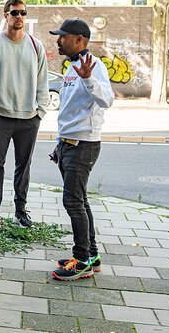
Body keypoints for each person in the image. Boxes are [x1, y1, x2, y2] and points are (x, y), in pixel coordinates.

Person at [48, 18, 114, 281]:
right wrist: (60, 142)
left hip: (83, 145)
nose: (58, 40)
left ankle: (82, 260)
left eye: (63, 36)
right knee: (81, 201)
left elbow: (106, 99)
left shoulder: (92, 66)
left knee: (73, 202)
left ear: (79, 40)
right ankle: (92, 254)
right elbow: (69, 110)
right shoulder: (72, 67)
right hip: (69, 143)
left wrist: (89, 80)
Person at [0, 0, 49, 229]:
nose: (19, 17)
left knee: (23, 166)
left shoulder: (36, 46)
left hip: (29, 118)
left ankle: (20, 210)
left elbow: (42, 81)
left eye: (23, 13)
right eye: (15, 13)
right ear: (5, 16)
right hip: (0, 116)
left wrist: (40, 112)